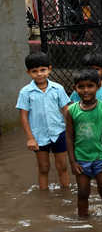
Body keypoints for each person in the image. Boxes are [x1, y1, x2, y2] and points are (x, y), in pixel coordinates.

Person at [65, 69, 102, 217]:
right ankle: (83, 221)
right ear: (75, 88)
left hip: (101, 158)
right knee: (82, 193)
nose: (86, 90)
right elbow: (69, 137)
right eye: (81, 87)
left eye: (90, 86)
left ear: (98, 86)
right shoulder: (71, 111)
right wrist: (73, 162)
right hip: (81, 159)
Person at [16, 52, 71, 190]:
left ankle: (65, 192)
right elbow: (23, 116)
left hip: (59, 132)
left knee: (63, 167)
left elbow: (66, 111)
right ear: (28, 72)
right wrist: (30, 138)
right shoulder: (25, 92)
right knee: (43, 168)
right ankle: (44, 196)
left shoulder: (58, 88)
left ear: (49, 69)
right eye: (34, 71)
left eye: (43, 70)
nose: (39, 74)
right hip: (38, 136)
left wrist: (72, 130)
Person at [69, 53, 102, 157]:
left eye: (97, 69)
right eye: (89, 69)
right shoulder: (78, 92)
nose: (93, 73)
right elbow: (72, 113)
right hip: (87, 131)